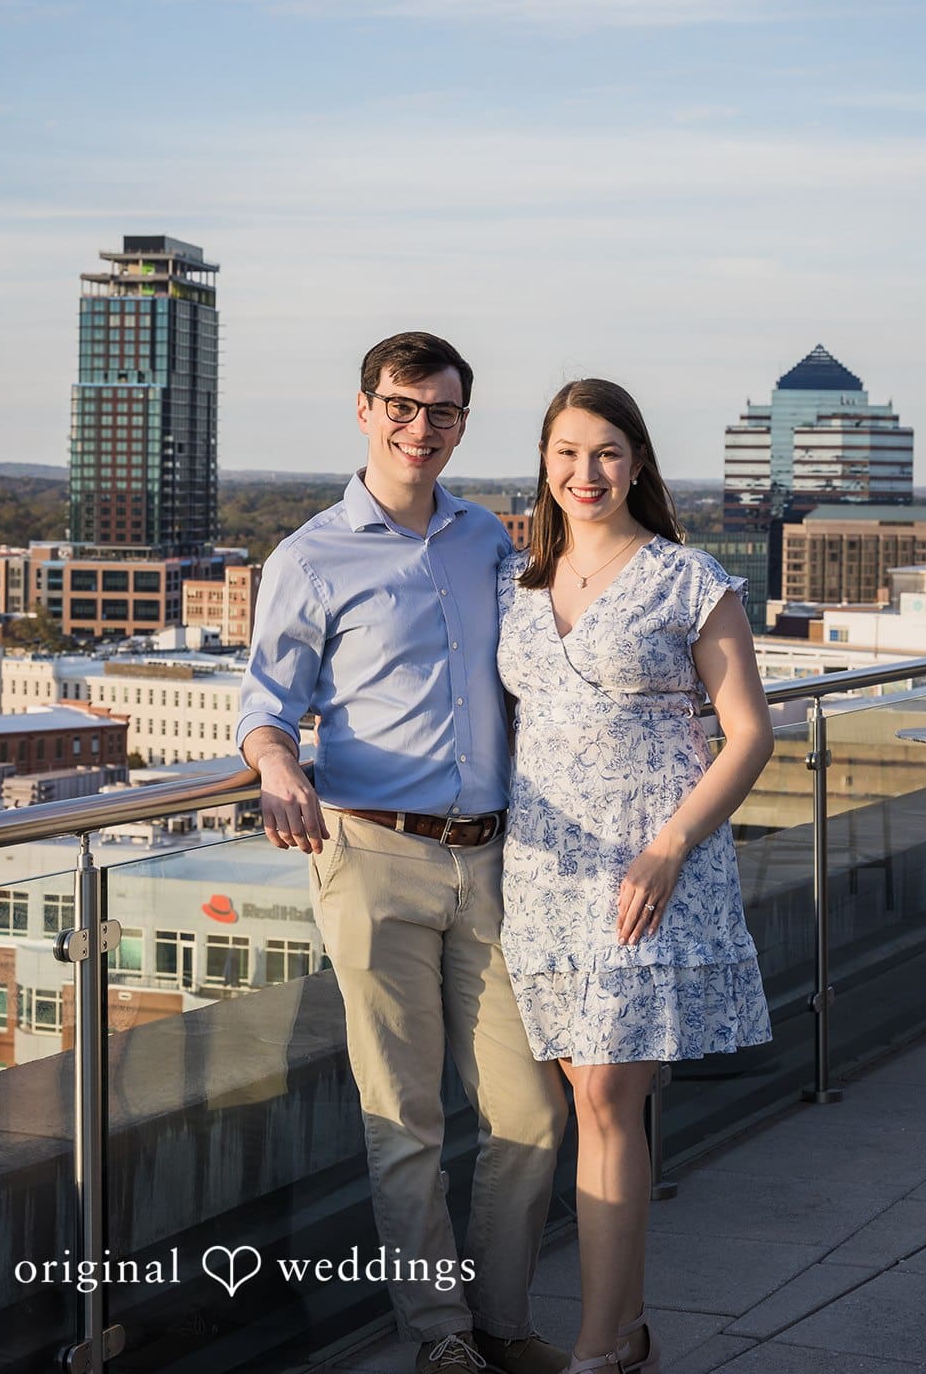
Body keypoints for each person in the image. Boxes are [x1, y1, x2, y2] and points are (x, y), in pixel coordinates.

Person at [237, 332, 569, 1374]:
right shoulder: (309, 556)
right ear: (363, 408)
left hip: (494, 858)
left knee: (530, 1109)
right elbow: (265, 704)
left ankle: (503, 1319)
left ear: (462, 423)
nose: (419, 429)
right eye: (402, 406)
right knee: (406, 1115)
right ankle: (439, 1334)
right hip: (372, 855)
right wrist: (275, 766)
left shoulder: (486, 543)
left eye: (442, 412)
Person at [497, 379, 774, 1374]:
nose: (584, 472)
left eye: (605, 452)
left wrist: (667, 847)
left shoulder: (685, 577)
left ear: (638, 463)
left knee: (608, 1099)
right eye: (566, 452)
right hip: (540, 876)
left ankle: (598, 1346)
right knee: (588, 1099)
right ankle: (628, 1332)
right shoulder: (517, 583)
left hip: (648, 869)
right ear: (543, 462)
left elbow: (749, 736)